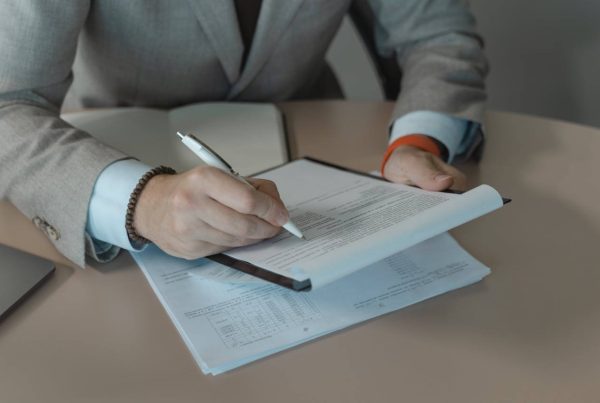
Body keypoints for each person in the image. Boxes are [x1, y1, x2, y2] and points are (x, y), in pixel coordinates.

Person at [0, 0, 487, 267]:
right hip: (114, 154)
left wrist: (418, 141)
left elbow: (436, 35)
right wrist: (140, 203)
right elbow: (7, 102)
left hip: (313, 143)